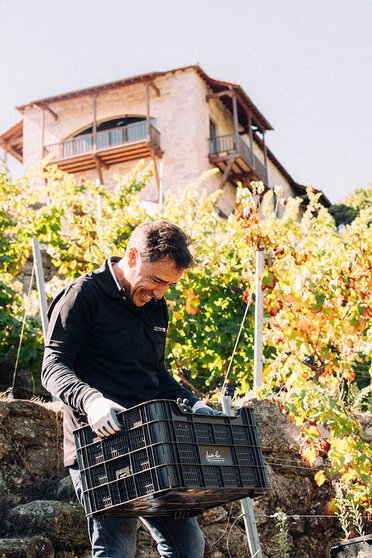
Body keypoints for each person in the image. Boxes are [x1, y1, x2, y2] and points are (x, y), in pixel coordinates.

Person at [42, 220, 221, 558]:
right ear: (132, 255)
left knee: (187, 544)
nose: (159, 293)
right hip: (97, 450)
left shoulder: (156, 305)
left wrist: (193, 405)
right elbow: (52, 367)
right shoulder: (82, 295)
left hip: (148, 447)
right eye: (156, 280)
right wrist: (91, 400)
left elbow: (154, 373)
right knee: (117, 548)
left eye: (169, 285)